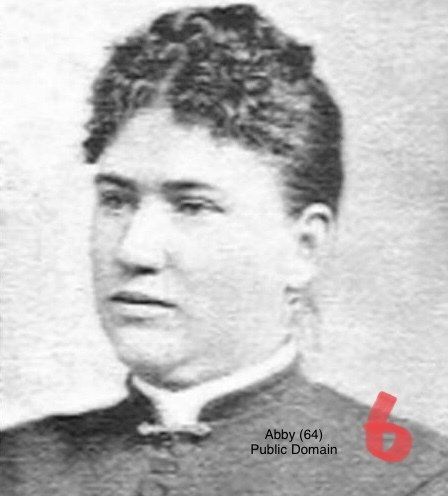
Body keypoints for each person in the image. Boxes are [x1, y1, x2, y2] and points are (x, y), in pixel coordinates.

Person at [1, 4, 447, 495]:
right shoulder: (17, 469)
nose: (133, 249)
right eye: (116, 200)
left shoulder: (407, 478)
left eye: (192, 206)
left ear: (304, 246)